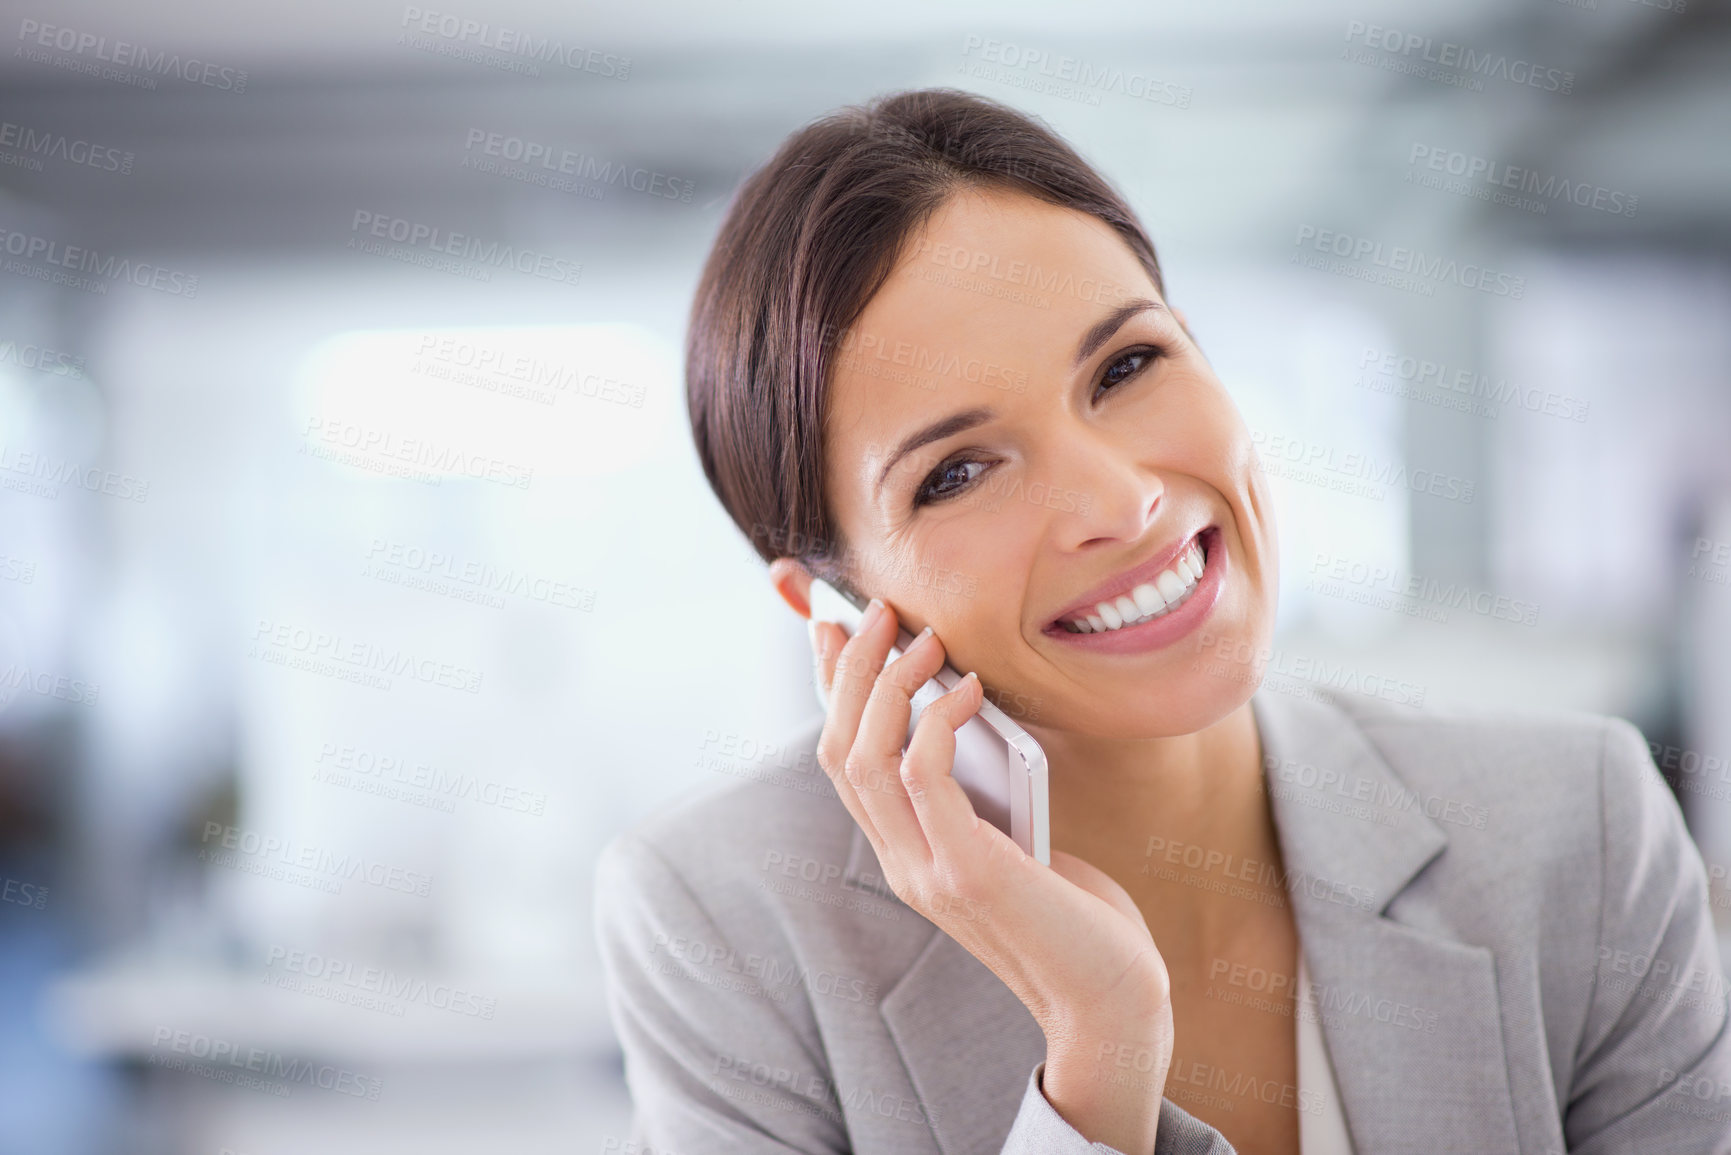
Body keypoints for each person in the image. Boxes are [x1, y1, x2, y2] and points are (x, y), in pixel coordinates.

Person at [593, 88, 1731, 1154]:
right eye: (957, 472)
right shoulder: (727, 924)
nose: (1120, 499)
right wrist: (1100, 1051)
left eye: (1128, 364)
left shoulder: (1576, 829)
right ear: (836, 609)